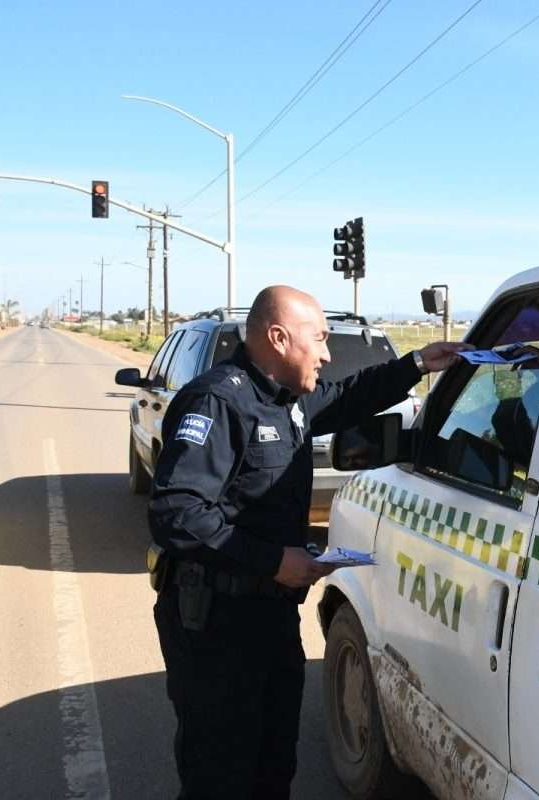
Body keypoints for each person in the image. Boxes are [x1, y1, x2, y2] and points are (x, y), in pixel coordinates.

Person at [148, 285, 469, 799]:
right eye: (317, 339)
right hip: (216, 626)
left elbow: (348, 397)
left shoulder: (285, 401)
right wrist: (273, 561)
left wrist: (416, 364)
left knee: (274, 764)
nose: (326, 353)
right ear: (277, 338)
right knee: (221, 775)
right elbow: (176, 512)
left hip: (269, 618)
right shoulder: (219, 401)